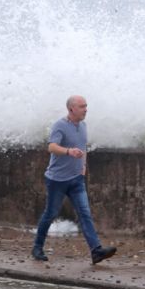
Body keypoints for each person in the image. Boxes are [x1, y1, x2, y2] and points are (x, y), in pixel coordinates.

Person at [31, 95, 117, 264]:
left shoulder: (83, 126)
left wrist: (83, 166)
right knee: (50, 214)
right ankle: (37, 247)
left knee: (85, 214)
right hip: (57, 180)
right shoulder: (60, 126)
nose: (86, 109)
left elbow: (83, 147)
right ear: (71, 109)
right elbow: (51, 147)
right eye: (82, 106)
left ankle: (96, 251)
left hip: (76, 180)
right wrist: (69, 152)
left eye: (86, 106)